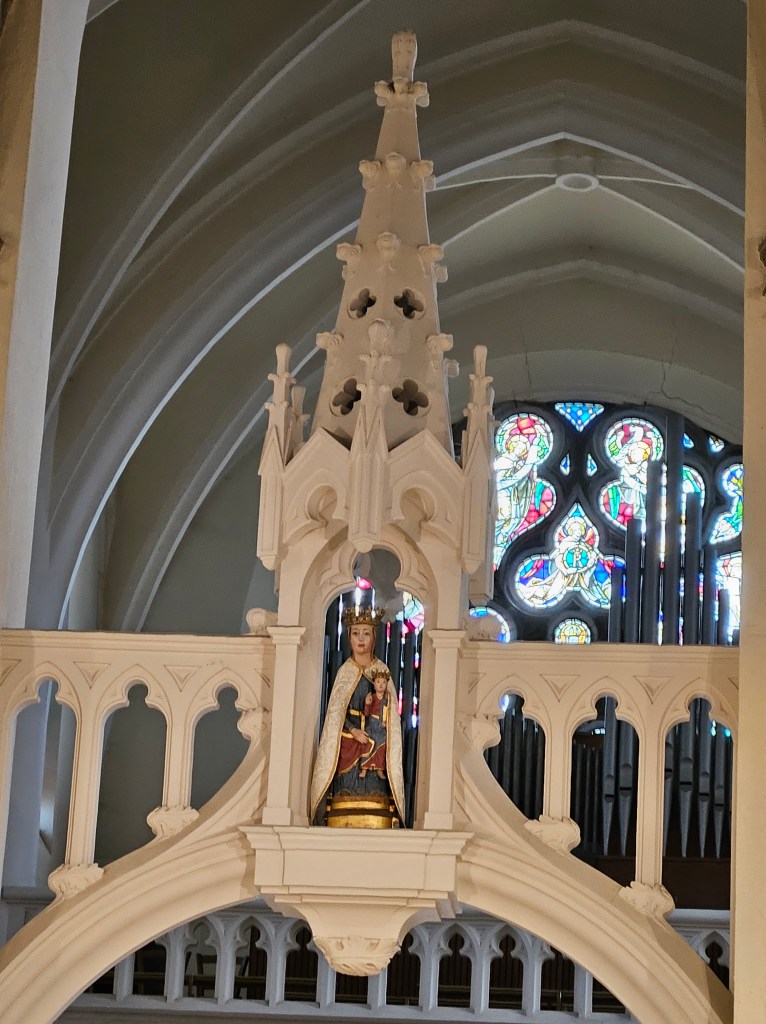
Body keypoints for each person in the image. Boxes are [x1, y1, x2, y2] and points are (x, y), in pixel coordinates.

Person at [310, 608, 405, 827]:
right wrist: (353, 731)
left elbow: (392, 716)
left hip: (375, 735)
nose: (361, 639)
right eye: (355, 633)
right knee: (347, 781)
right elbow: (336, 713)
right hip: (349, 736)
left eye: (366, 633)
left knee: (377, 756)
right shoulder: (345, 672)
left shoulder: (381, 672)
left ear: (374, 638)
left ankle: (379, 801)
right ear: (349, 637)